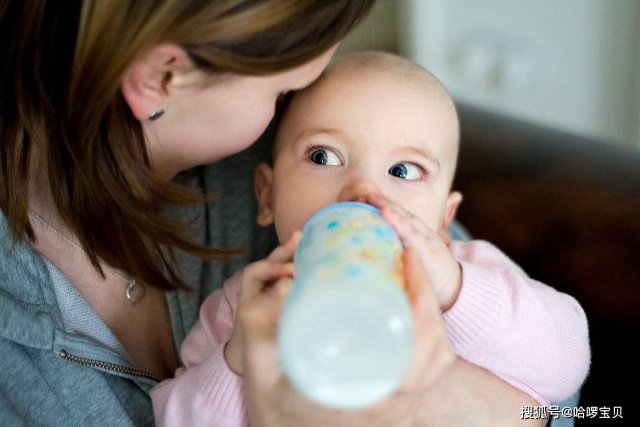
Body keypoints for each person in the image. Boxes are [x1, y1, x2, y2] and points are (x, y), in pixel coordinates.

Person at [151, 52, 590, 426]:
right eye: (323, 156)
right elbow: (173, 417)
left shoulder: (467, 271)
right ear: (267, 196)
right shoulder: (248, 307)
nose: (363, 189)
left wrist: (456, 292)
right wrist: (236, 360)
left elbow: (566, 363)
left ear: (443, 218)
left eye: (402, 171)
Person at [0, 1, 377, 425]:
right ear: (157, 78)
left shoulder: (279, 164)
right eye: (283, 92)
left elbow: (444, 257)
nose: (292, 116)